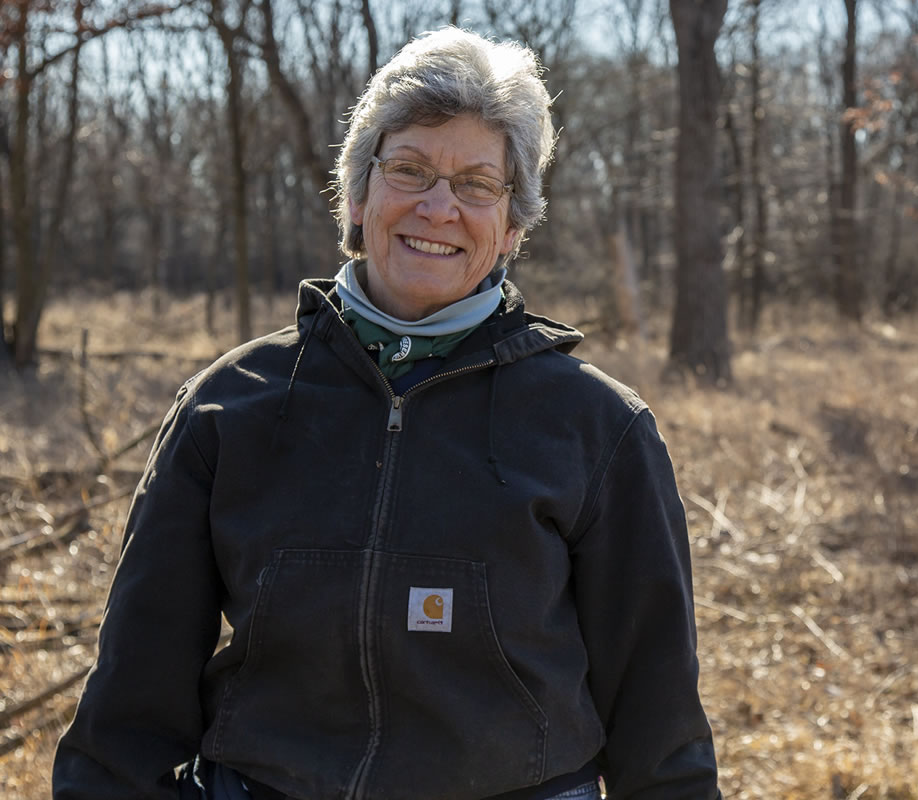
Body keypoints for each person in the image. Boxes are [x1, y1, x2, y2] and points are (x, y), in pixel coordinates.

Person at [52, 27, 721, 800]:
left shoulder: (598, 429)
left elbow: (660, 729)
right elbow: (128, 706)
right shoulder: (229, 406)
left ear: (512, 228)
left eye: (477, 183)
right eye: (409, 169)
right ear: (359, 194)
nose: (439, 206)